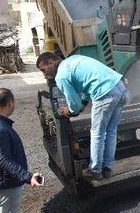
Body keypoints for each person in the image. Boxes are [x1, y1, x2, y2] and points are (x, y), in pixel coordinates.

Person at [36, 53, 129, 181]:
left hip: (105, 93)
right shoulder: (74, 60)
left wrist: (69, 110)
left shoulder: (61, 77)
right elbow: (86, 83)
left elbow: (74, 105)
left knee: (97, 133)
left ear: (51, 62)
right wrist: (84, 103)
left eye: (43, 70)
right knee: (111, 131)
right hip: (121, 87)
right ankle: (107, 167)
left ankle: (95, 170)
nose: (44, 74)